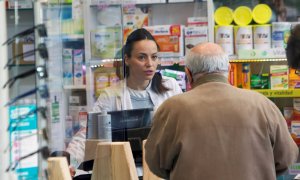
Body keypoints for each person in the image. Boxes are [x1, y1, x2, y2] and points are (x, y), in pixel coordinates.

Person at [145, 42, 298, 180]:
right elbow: (287, 158)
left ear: (188, 73)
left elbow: (155, 163)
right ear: (229, 69)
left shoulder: (173, 108)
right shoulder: (262, 105)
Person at [66, 28, 182, 173]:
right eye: (142, 57)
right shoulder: (111, 95)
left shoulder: (171, 87)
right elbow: (88, 133)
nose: (150, 63)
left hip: (165, 171)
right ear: (127, 59)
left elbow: (184, 128)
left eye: (154, 57)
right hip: (128, 171)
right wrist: (70, 161)